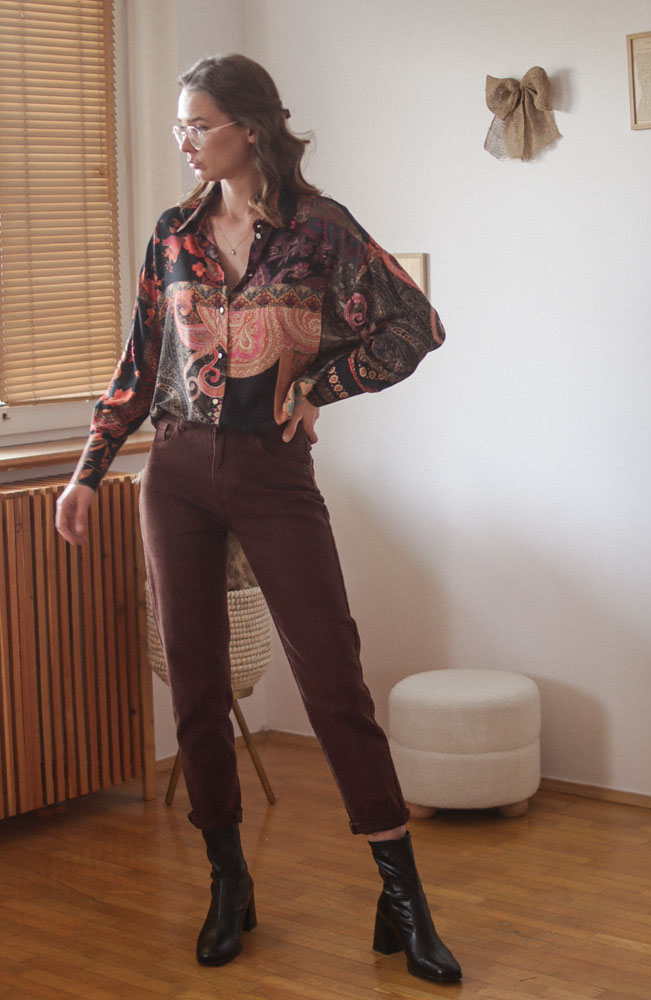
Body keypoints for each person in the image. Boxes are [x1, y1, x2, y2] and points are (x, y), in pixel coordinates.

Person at [56, 54, 462, 986]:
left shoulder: (319, 230)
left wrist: (320, 387)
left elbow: (416, 325)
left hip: (273, 474)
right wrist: (86, 473)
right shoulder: (173, 235)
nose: (184, 140)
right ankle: (228, 882)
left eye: (198, 124)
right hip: (176, 472)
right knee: (196, 686)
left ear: (250, 126)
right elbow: (139, 365)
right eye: (179, 125)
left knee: (333, 682)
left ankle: (402, 899)